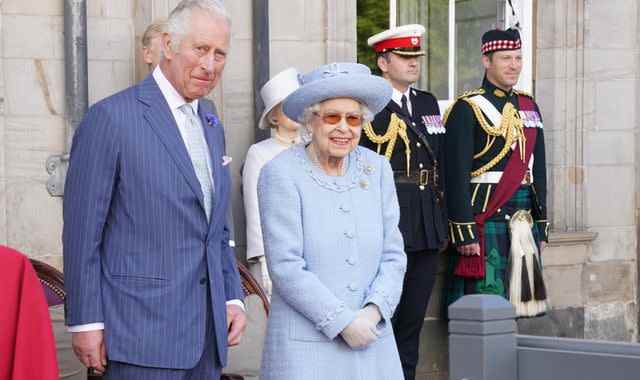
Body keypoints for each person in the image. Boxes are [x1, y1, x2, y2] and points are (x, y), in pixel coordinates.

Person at [62, 1, 247, 379]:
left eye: (220, 54)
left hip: (208, 339)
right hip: (139, 334)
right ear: (167, 44)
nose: (210, 65)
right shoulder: (111, 118)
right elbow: (83, 233)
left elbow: (217, 225)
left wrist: (230, 295)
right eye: (200, 49)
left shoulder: (211, 120)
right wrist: (84, 321)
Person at [257, 62, 406, 379]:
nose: (344, 128)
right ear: (311, 121)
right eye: (332, 117)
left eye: (353, 118)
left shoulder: (377, 169)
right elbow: (285, 265)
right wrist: (342, 322)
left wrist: (374, 311)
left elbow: (393, 254)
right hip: (306, 350)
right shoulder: (280, 174)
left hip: (372, 341)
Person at [361, 24, 447, 380]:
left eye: (417, 58)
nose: (414, 64)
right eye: (405, 57)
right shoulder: (370, 106)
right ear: (383, 62)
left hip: (427, 222)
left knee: (412, 321)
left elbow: (441, 161)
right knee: (382, 318)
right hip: (389, 221)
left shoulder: (426, 102)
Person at [443, 27, 549, 318]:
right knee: (483, 308)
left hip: (523, 216)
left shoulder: (529, 105)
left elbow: (538, 169)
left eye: (518, 57)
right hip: (486, 213)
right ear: (486, 61)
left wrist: (541, 224)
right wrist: (464, 232)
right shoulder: (467, 108)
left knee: (520, 306)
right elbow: (455, 175)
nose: (514, 65)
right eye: (505, 58)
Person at [242, 67, 301, 296]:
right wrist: (263, 260)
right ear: (273, 116)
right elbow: (254, 208)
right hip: (273, 253)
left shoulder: (312, 149)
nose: (295, 112)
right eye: (286, 107)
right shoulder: (259, 153)